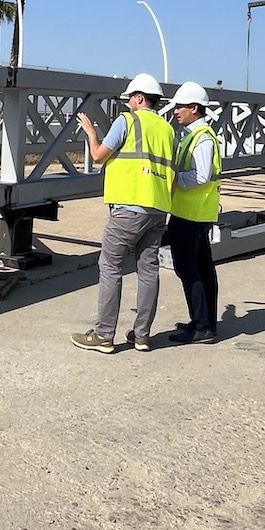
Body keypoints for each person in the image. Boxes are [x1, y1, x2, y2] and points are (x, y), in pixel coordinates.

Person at [71, 73, 177, 354]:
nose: (128, 102)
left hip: (128, 208)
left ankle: (104, 334)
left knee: (109, 267)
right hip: (158, 210)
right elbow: (173, 172)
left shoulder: (127, 121)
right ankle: (142, 336)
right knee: (148, 271)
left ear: (140, 98)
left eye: (131, 97)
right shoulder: (167, 130)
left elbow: (98, 156)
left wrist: (92, 132)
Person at [166, 81, 222, 345]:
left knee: (189, 270)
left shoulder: (202, 138)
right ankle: (204, 321)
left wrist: (173, 178)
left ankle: (203, 326)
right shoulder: (193, 134)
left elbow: (200, 176)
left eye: (180, 106)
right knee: (202, 269)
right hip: (197, 213)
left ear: (195, 109)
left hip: (190, 214)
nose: (176, 111)